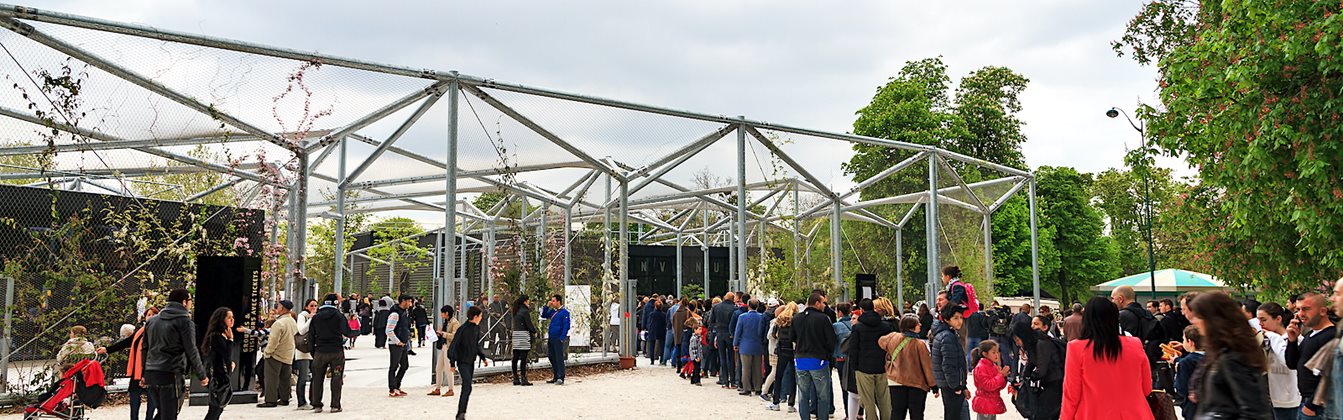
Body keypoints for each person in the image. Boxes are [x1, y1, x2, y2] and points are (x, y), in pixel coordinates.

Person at [1060, 296, 1152, 419]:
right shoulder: (1135, 344)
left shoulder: (1076, 348)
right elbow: (1146, 388)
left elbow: (1072, 393)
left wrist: (1066, 417)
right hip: (1136, 414)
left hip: (1093, 413)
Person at [1188, 291, 1272, 418]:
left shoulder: (1233, 357)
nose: (1194, 321)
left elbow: (1254, 411)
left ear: (1214, 320)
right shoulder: (1220, 352)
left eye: (1199, 317)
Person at [140, 289, 208, 420]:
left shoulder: (152, 321)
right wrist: (202, 375)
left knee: (162, 413)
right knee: (170, 414)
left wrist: (144, 373)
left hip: (151, 374)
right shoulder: (185, 322)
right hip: (171, 373)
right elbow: (191, 350)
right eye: (190, 300)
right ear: (184, 302)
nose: (191, 303)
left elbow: (144, 349)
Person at [97, 307, 158, 420]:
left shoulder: (158, 333)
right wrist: (107, 349)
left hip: (150, 371)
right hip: (137, 371)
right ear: (145, 317)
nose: (151, 317)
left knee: (152, 399)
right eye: (149, 314)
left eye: (154, 314)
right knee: (134, 397)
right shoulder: (140, 332)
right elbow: (125, 343)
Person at [1286, 292, 1335, 420]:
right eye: (1298, 309)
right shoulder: (1310, 335)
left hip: (1320, 406)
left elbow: (1332, 376)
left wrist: (1311, 406)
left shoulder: (1332, 336)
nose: (1301, 314)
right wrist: (1292, 341)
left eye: (1306, 309)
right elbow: (1292, 364)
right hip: (1305, 402)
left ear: (1322, 311)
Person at [848, 299, 894, 420]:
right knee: (884, 400)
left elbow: (853, 349)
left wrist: (855, 367)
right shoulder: (885, 326)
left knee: (868, 401)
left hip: (863, 368)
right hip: (882, 367)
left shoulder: (857, 327)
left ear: (861, 310)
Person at [881, 315, 934, 420]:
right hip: (916, 383)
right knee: (916, 414)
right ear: (911, 326)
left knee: (897, 412)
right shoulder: (919, 344)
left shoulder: (892, 337)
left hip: (895, 381)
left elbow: (881, 341)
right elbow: (927, 366)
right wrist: (933, 384)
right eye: (918, 323)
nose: (920, 324)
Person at [1257, 302, 1301, 420]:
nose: (1260, 324)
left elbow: (1288, 361)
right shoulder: (1265, 340)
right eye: (1259, 321)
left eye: (1264, 320)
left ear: (1278, 319)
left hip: (1289, 401)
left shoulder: (1295, 339)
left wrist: (1272, 336)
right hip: (1269, 400)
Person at [796, 291, 837, 420]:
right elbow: (831, 340)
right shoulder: (823, 319)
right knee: (823, 395)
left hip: (801, 359)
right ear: (817, 303)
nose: (824, 305)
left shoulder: (796, 318)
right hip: (819, 360)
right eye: (823, 302)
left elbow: (792, 337)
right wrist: (827, 354)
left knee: (803, 394)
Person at [309, 294, 353, 413]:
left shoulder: (316, 317)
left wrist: (313, 352)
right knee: (336, 378)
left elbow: (311, 336)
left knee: (317, 378)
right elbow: (347, 332)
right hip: (336, 353)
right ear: (335, 303)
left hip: (320, 352)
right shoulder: (339, 316)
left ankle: (317, 404)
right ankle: (335, 405)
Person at [1014, 316, 1064, 420]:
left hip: (1056, 384)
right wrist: (1023, 378)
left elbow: (1041, 370)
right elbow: (1030, 364)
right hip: (1052, 384)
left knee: (1041, 415)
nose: (1017, 343)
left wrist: (1030, 377)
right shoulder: (1036, 344)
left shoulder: (1042, 344)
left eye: (1018, 340)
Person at [448, 306, 491, 420]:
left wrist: (483, 357)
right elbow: (454, 345)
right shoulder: (462, 329)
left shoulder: (476, 329)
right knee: (467, 385)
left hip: (471, 361)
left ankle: (461, 412)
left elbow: (476, 345)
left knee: (467, 387)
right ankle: (460, 414)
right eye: (480, 316)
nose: (481, 318)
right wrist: (452, 363)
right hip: (462, 362)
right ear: (475, 316)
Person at [931, 305, 968, 420]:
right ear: (947, 319)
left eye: (961, 317)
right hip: (951, 385)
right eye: (956, 318)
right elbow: (948, 365)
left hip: (948, 384)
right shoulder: (947, 337)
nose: (959, 321)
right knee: (953, 415)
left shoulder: (947, 333)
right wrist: (956, 386)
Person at [1111, 285, 1162, 366]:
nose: (1112, 301)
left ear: (1121, 299)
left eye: (1113, 298)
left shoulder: (1121, 315)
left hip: (1128, 360)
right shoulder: (1148, 314)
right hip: (1148, 360)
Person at [258, 300, 296, 408]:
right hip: (288, 354)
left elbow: (273, 340)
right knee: (285, 378)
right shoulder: (292, 321)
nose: (276, 308)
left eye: (278, 306)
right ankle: (285, 399)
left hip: (276, 355)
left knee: (271, 378)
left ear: (282, 308)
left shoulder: (279, 323)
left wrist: (267, 353)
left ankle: (271, 400)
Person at [200, 308, 234, 420]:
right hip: (217, 378)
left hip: (221, 376)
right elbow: (226, 354)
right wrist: (230, 340)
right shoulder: (216, 336)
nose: (232, 320)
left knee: (218, 408)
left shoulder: (221, 334)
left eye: (232, 317)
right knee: (215, 409)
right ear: (221, 319)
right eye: (229, 317)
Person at [766, 302, 798, 412]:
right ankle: (791, 404)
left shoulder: (780, 319)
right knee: (793, 378)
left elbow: (774, 334)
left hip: (781, 349)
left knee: (778, 376)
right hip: (793, 350)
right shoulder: (796, 320)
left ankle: (776, 402)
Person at [734, 299, 767, 396]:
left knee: (745, 368)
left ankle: (746, 388)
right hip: (758, 345)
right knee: (757, 368)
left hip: (745, 345)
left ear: (748, 306)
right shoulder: (761, 317)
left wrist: (735, 343)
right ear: (757, 306)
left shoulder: (742, 317)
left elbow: (738, 331)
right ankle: (757, 387)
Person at [1170, 325, 1204, 418]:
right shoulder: (1212, 357)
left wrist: (1177, 363)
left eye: (1184, 340)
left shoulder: (1185, 363)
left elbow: (1181, 388)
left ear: (1190, 342)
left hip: (1192, 407)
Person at [971, 340, 1008, 420]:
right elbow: (987, 386)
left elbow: (998, 386)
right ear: (985, 354)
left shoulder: (993, 366)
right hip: (984, 402)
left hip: (993, 401)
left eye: (997, 352)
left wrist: (1004, 377)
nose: (997, 355)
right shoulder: (980, 367)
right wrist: (1000, 375)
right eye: (993, 352)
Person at [385, 294, 413, 396]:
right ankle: (392, 389)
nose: (410, 304)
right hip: (395, 344)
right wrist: (397, 341)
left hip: (403, 343)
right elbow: (389, 330)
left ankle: (397, 385)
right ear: (403, 301)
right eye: (409, 301)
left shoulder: (404, 312)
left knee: (405, 365)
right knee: (394, 366)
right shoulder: (395, 314)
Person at [832, 302, 855, 419]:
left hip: (841, 359)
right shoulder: (856, 324)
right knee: (857, 388)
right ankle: (859, 413)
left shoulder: (836, 326)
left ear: (839, 312)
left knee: (845, 388)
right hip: (855, 359)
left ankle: (848, 414)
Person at [541, 294, 571, 385]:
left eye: (553, 301)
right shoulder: (553, 311)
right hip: (551, 337)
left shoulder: (564, 312)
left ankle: (560, 377)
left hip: (558, 337)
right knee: (551, 356)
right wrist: (547, 306)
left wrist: (562, 337)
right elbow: (544, 315)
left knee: (559, 357)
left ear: (559, 301)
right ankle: (555, 375)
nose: (552, 302)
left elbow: (566, 325)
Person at [431, 305, 461, 397]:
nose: (441, 315)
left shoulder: (455, 323)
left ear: (446, 313)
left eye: (442, 313)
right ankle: (438, 388)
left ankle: (451, 389)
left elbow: (454, 337)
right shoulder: (446, 322)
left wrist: (442, 333)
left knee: (448, 369)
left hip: (449, 348)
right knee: (438, 368)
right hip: (444, 346)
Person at [710, 292, 738, 388]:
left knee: (722, 358)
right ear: (732, 299)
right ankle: (733, 381)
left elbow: (711, 321)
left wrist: (716, 331)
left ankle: (725, 381)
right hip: (730, 335)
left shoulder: (716, 307)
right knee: (731, 358)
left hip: (719, 333)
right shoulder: (734, 309)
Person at [294, 299, 316, 410]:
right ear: (306, 306)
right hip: (303, 350)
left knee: (314, 377)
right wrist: (310, 319)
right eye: (311, 305)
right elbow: (301, 331)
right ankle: (301, 402)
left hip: (313, 350)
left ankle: (313, 400)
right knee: (303, 377)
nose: (314, 307)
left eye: (316, 305)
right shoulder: (302, 316)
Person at [510, 295, 537, 386]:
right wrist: (534, 331)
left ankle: (515, 377)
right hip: (523, 335)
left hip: (516, 334)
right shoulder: (525, 311)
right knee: (523, 358)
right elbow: (528, 324)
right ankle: (524, 378)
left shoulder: (516, 310)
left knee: (515, 357)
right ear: (525, 301)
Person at [646, 299, 667, 366]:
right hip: (661, 330)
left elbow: (649, 322)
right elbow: (665, 323)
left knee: (652, 346)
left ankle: (652, 360)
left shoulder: (652, 314)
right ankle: (661, 360)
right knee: (662, 346)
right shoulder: (664, 315)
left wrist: (648, 328)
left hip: (653, 330)